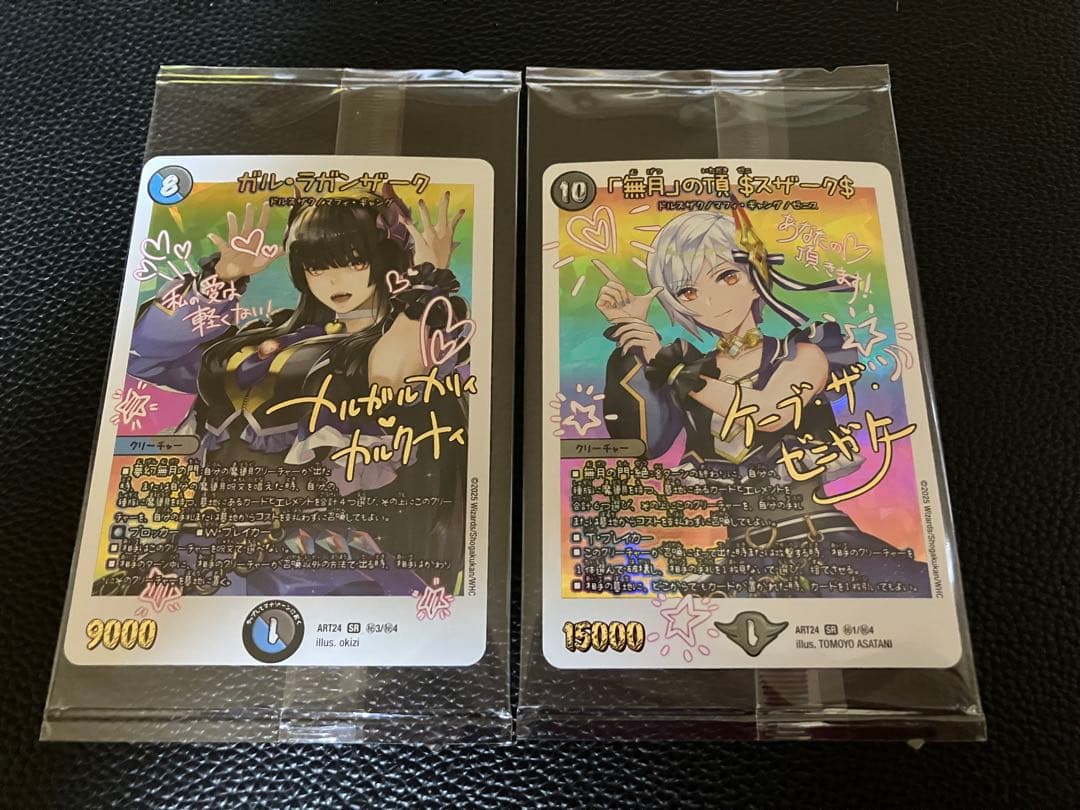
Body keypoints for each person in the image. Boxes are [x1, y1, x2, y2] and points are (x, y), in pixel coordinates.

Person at [597, 207, 929, 597]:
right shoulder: (688, 367)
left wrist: (670, 368)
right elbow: (641, 443)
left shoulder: (804, 352)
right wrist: (632, 340)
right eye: (688, 291)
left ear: (756, 279)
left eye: (727, 276)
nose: (711, 300)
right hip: (741, 559)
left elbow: (769, 412)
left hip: (818, 540)